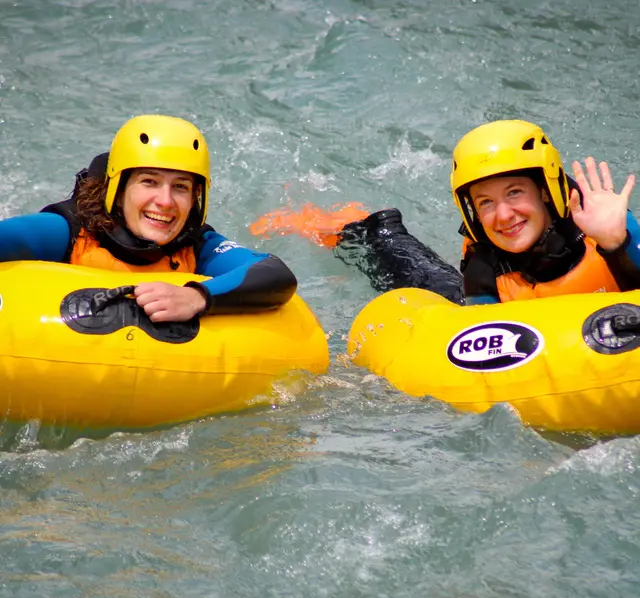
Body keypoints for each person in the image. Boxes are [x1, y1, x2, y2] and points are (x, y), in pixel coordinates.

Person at [249, 119, 640, 305]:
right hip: (466, 301)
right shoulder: (485, 266)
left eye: (515, 193)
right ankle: (361, 227)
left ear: (545, 191)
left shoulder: (608, 227)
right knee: (413, 272)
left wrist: (616, 245)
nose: (503, 215)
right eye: (485, 202)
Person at [0, 114, 298, 321]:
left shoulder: (196, 245)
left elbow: (275, 275)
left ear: (196, 197)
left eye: (180, 187)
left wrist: (197, 297)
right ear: (118, 189)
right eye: (149, 182)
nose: (165, 202)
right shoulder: (67, 232)